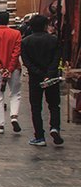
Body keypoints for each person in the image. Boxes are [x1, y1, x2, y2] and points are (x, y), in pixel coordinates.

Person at [21, 14, 64, 147]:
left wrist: (39, 74)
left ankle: (39, 136)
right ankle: (55, 127)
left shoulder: (26, 42)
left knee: (36, 107)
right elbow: (57, 58)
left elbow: (27, 62)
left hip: (35, 79)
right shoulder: (54, 40)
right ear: (45, 25)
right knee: (54, 105)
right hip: (52, 78)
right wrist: (49, 74)